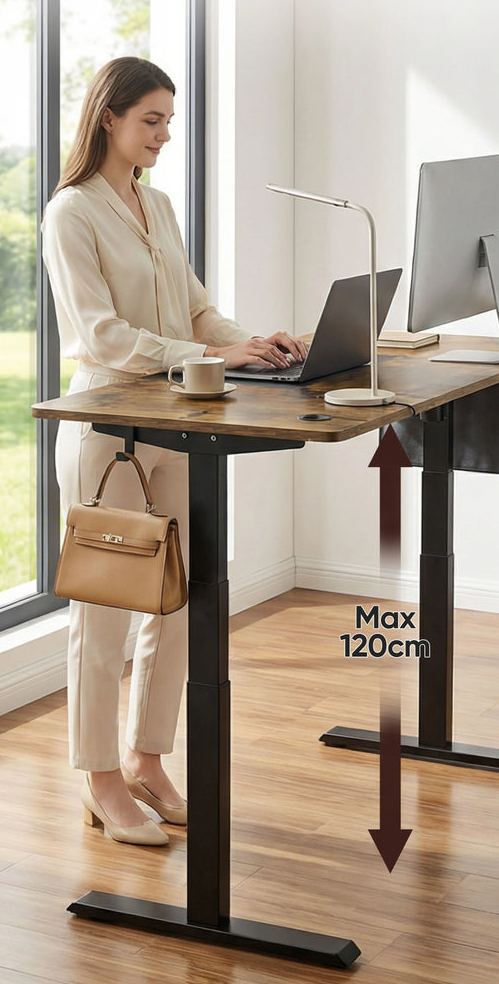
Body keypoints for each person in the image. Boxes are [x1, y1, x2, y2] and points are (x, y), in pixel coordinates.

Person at [42, 56, 308, 846]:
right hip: (107, 432)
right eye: (151, 119)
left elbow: (194, 308)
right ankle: (97, 781)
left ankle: (147, 761)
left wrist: (248, 342)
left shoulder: (155, 204)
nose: (164, 134)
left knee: (180, 604)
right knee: (107, 611)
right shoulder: (72, 213)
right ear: (108, 120)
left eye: (169, 119)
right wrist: (209, 361)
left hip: (178, 423)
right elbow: (101, 336)